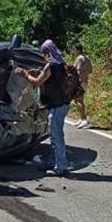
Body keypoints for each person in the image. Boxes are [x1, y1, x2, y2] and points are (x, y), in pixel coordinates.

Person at [15, 39, 70, 176]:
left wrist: (25, 74)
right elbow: (49, 78)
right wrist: (37, 71)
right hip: (62, 104)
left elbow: (38, 82)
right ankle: (56, 162)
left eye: (44, 53)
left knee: (56, 137)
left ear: (47, 52)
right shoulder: (60, 64)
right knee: (57, 136)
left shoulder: (50, 66)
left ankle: (61, 167)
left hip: (56, 106)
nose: (43, 55)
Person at [73, 43, 93, 129]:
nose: (73, 51)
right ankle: (82, 118)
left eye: (74, 49)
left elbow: (77, 70)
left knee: (78, 101)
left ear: (78, 50)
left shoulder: (79, 58)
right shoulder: (87, 58)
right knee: (78, 100)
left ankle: (84, 119)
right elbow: (91, 70)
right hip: (85, 81)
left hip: (79, 82)